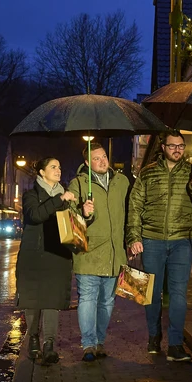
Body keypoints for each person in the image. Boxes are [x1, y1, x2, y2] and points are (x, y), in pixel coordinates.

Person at [127, 129, 192, 362]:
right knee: (152, 293)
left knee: (178, 295)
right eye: (173, 146)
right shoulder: (148, 173)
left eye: (181, 146)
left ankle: (175, 345)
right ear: (163, 147)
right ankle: (154, 337)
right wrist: (133, 237)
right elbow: (135, 207)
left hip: (182, 241)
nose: (177, 150)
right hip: (151, 239)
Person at [68, 143, 130, 362]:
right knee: (87, 298)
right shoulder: (78, 183)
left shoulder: (122, 182)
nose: (103, 161)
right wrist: (82, 212)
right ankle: (88, 344)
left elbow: (130, 213)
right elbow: (68, 215)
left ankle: (100, 341)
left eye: (104, 156)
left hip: (115, 254)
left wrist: (132, 240)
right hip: (89, 252)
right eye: (96, 159)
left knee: (107, 302)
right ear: (87, 163)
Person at [16, 157, 76, 365]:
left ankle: (49, 345)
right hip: (34, 256)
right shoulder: (31, 195)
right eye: (53, 167)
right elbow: (35, 215)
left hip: (57, 255)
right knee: (32, 299)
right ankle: (33, 338)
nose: (58, 170)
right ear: (42, 172)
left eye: (60, 167)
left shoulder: (65, 196)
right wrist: (59, 199)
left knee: (52, 300)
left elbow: (75, 226)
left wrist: (86, 215)